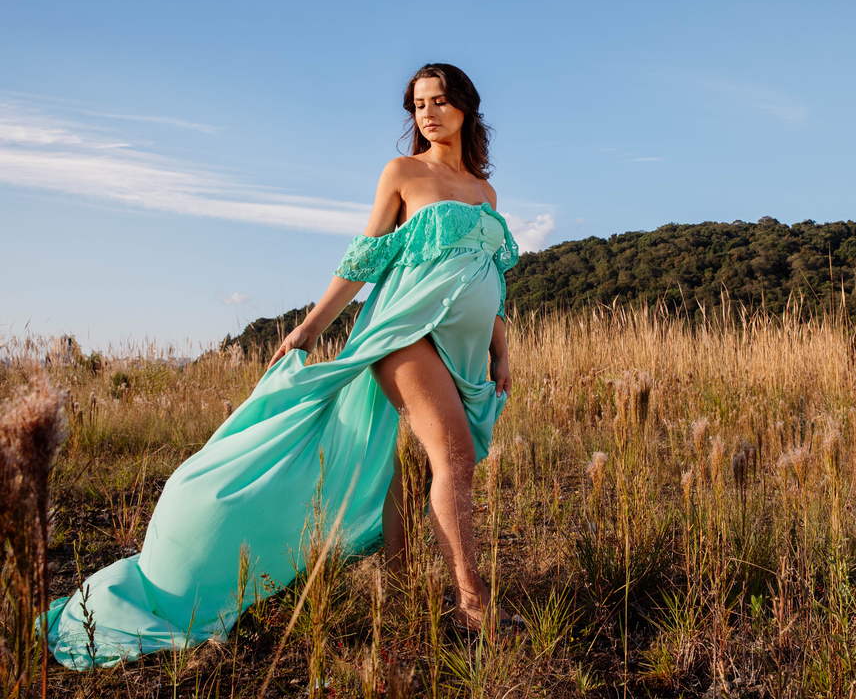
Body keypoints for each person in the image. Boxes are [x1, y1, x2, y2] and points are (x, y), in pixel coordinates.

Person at [43, 63, 521, 669]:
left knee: (396, 458)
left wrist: (501, 348)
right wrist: (310, 326)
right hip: (404, 332)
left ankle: (399, 590)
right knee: (451, 454)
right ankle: (471, 602)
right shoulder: (403, 173)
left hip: (466, 341)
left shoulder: (485, 192)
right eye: (418, 104)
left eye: (440, 101)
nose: (427, 112)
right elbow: (366, 256)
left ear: (466, 109)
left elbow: (489, 275)